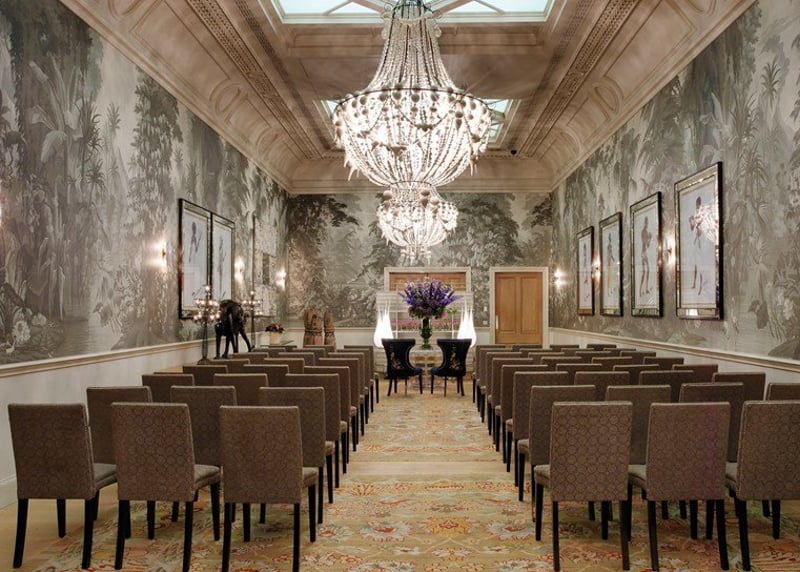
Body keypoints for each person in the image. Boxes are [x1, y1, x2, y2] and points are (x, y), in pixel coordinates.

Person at [689, 195, 705, 296]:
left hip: (699, 243)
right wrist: (690, 221)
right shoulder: (695, 214)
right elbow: (692, 228)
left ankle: (701, 286)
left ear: (700, 204)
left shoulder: (702, 215)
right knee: (694, 265)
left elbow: (700, 232)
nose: (696, 206)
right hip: (694, 243)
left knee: (700, 265)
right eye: (696, 205)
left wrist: (697, 224)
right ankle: (694, 284)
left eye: (697, 204)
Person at [639, 215, 651, 296]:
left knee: (648, 270)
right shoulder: (644, 231)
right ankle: (640, 290)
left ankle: (646, 288)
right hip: (643, 253)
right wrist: (649, 238)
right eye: (646, 222)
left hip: (645, 252)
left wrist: (650, 238)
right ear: (644, 223)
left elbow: (648, 245)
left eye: (647, 222)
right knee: (644, 271)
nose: (647, 224)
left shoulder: (646, 231)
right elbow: (645, 243)